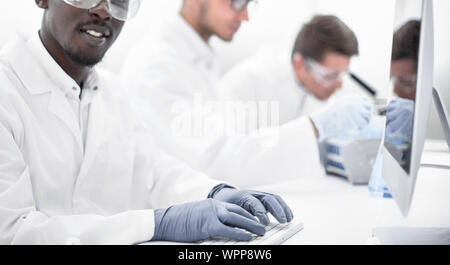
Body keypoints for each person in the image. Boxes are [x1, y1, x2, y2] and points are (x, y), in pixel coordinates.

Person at [0, 0, 294, 245]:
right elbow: (11, 232)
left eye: (119, 1)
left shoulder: (111, 92)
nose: (103, 11)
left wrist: (215, 192)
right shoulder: (6, 92)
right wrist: (155, 224)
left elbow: (152, 171)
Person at [121, 0, 373, 188]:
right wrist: (314, 127)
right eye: (237, 2)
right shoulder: (157, 66)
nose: (245, 16)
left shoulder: (199, 61)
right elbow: (215, 161)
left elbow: (230, 146)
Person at [218, 15, 360, 126]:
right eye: (330, 76)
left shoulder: (315, 89)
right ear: (300, 63)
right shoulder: (247, 83)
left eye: (342, 75)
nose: (339, 85)